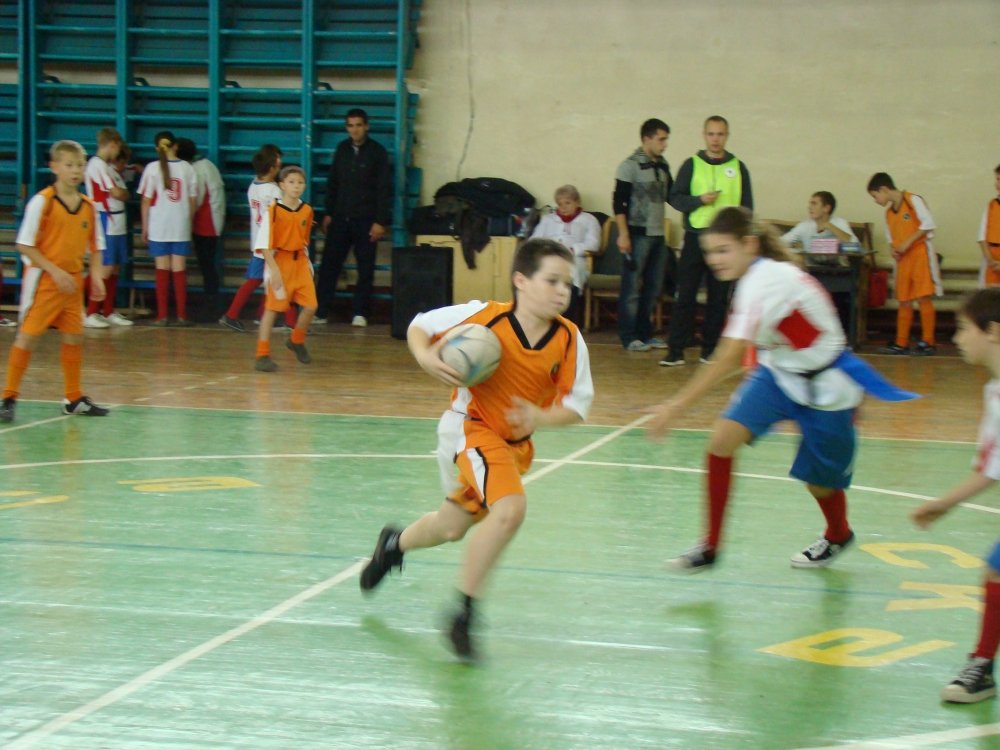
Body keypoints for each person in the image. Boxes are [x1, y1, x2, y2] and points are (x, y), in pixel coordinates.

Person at [359, 238, 594, 660]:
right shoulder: (485, 316)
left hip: (513, 447)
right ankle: (463, 615)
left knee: (451, 527)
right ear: (521, 280)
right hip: (470, 429)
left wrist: (541, 417)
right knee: (511, 510)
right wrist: (425, 357)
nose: (563, 291)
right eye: (552, 281)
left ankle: (393, 545)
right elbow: (420, 325)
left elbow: (577, 407)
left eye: (568, 283)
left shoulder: (569, 338)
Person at [646, 207, 918, 572]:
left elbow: (730, 354)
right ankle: (710, 546)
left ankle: (838, 533)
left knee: (819, 484)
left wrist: (675, 406)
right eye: (710, 252)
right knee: (721, 441)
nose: (715, 260)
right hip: (779, 374)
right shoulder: (752, 279)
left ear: (750, 244)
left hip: (828, 385)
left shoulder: (768, 280)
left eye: (724, 250)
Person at [911, 288, 1000, 703]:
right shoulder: (994, 394)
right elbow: (990, 466)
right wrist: (944, 504)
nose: (957, 338)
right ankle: (981, 666)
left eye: (963, 328)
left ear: (993, 331)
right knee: (996, 570)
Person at [0, 140, 109, 423]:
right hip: (45, 280)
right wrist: (55, 270)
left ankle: (73, 398)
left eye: (80, 165)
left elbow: (97, 246)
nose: (75, 171)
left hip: (72, 282)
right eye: (69, 165)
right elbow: (24, 245)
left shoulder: (89, 206)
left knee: (74, 336)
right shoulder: (43, 201)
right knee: (28, 337)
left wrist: (96, 275)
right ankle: (8, 397)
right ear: (54, 167)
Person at [662, 115, 753, 367]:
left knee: (718, 297)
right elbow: (675, 198)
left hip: (726, 242)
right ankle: (676, 350)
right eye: (711, 134)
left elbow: (747, 207)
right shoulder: (691, 164)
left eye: (720, 134)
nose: (715, 139)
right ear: (704, 136)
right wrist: (699, 200)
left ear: (727, 136)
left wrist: (742, 237)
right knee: (685, 294)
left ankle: (710, 349)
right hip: (696, 236)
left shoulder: (738, 167)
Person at [314, 108, 391, 328]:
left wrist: (380, 221)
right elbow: (333, 183)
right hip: (340, 218)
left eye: (358, 125)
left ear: (366, 126)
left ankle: (360, 312)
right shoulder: (342, 149)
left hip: (366, 220)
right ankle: (321, 311)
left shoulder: (377, 152)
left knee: (365, 268)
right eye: (350, 126)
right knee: (329, 266)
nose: (354, 130)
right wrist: (328, 213)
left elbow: (384, 188)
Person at [613, 118, 672, 352]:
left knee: (653, 287)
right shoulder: (629, 166)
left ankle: (645, 334)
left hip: (658, 233)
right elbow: (619, 203)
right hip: (637, 234)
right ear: (646, 138)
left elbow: (672, 195)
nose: (665, 144)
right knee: (632, 289)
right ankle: (629, 336)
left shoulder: (663, 165)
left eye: (666, 139)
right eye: (661, 139)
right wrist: (623, 234)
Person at [219, 144, 292, 332]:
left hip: (259, 241)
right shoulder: (274, 191)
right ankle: (290, 322)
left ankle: (247, 314)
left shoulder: (253, 186)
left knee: (259, 279)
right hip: (272, 243)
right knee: (280, 279)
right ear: (272, 168)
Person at [867, 172, 942, 355]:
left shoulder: (912, 200)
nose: (875, 200)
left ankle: (928, 341)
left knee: (923, 297)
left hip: (920, 254)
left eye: (875, 196)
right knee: (904, 300)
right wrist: (894, 249)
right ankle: (901, 342)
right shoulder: (888, 213)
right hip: (903, 259)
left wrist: (908, 243)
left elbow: (928, 224)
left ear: (884, 189)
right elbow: (891, 238)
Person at [253, 166, 317, 372]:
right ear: (282, 185)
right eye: (291, 182)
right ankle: (262, 354)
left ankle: (296, 340)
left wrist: (307, 265)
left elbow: (304, 239)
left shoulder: (307, 210)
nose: (296, 186)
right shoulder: (273, 211)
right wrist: (274, 271)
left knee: (311, 306)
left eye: (300, 182)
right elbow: (265, 245)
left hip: (300, 262)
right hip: (280, 262)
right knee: (272, 308)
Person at [138, 131, 198, 326]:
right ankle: (182, 315)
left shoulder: (152, 168)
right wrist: (188, 222)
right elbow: (192, 201)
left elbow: (146, 201)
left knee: (161, 270)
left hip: (158, 225)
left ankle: (162, 316)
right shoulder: (187, 168)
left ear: (157, 148)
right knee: (179, 269)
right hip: (180, 224)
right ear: (176, 146)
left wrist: (145, 227)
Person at [782, 191, 859, 337]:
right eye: (810, 203)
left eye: (814, 203)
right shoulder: (805, 226)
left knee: (842, 299)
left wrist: (830, 227)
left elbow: (854, 244)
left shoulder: (839, 223)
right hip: (812, 273)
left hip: (838, 272)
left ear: (826, 208)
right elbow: (782, 242)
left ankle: (843, 336)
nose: (809, 207)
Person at [529, 185, 601, 326]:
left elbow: (594, 244)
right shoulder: (548, 219)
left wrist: (573, 249)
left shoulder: (589, 220)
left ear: (577, 202)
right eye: (560, 204)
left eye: (567, 203)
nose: (563, 207)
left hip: (575, 257)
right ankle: (542, 316)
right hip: (550, 256)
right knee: (539, 272)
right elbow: (534, 240)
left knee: (572, 272)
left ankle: (566, 320)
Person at [83, 127, 133, 328]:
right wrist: (122, 193)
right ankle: (91, 311)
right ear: (112, 144)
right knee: (105, 267)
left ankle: (108, 310)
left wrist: (123, 193)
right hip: (105, 218)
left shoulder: (108, 168)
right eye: (118, 147)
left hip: (117, 219)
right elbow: (117, 193)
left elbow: (123, 193)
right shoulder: (97, 165)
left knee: (115, 267)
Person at [176, 137, 226, 315]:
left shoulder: (196, 170)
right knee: (208, 265)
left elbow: (195, 200)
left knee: (207, 265)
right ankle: (211, 303)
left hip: (206, 223)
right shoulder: (207, 164)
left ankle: (211, 306)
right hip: (212, 220)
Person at [978, 164, 1000, 288]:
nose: (997, 184)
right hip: (992, 257)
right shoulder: (992, 205)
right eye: (997, 179)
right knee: (991, 295)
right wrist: (991, 262)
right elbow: (982, 238)